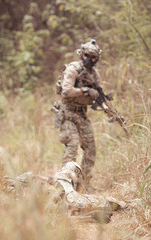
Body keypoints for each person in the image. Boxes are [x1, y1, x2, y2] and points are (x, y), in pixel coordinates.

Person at [54, 39, 106, 192]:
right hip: (67, 111)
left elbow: (99, 95)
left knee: (91, 149)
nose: (89, 60)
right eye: (87, 56)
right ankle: (64, 186)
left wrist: (106, 108)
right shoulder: (73, 69)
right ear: (82, 54)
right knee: (72, 146)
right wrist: (84, 91)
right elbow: (66, 91)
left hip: (82, 113)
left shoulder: (94, 74)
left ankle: (83, 185)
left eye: (93, 57)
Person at [6, 162, 127, 223]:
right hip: (59, 195)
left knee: (70, 167)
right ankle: (127, 204)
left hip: (57, 186)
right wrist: (92, 217)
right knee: (79, 202)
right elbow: (64, 216)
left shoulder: (10, 186)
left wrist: (50, 180)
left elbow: (31, 176)